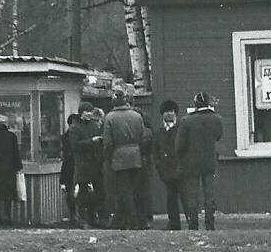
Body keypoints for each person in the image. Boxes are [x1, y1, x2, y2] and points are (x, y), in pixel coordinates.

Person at [177, 91, 224, 230]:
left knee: (193, 196)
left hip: (191, 162)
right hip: (209, 161)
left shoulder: (187, 120)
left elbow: (179, 145)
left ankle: (193, 224)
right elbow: (218, 136)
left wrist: (181, 156)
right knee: (209, 194)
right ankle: (210, 224)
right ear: (208, 103)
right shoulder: (217, 119)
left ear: (195, 104)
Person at [102, 89, 147, 229]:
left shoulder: (110, 117)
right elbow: (143, 137)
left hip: (119, 157)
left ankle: (129, 221)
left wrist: (108, 157)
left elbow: (108, 142)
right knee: (134, 189)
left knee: (124, 190)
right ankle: (134, 220)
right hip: (136, 155)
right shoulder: (137, 116)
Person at [68, 103, 104, 228]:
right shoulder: (74, 128)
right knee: (83, 194)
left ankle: (94, 217)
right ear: (81, 113)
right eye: (86, 112)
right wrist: (91, 141)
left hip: (95, 164)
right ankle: (83, 220)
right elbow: (74, 146)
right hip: (83, 166)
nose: (89, 114)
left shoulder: (95, 126)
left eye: (90, 111)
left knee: (99, 193)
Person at [154, 100, 186, 230]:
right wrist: (159, 165)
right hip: (166, 169)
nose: (169, 114)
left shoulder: (182, 129)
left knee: (185, 197)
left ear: (176, 113)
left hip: (180, 168)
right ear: (162, 114)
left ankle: (191, 222)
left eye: (171, 111)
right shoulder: (159, 131)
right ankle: (174, 223)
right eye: (166, 111)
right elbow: (156, 150)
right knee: (171, 198)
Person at [60, 113, 80, 225]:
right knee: (73, 192)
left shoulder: (66, 136)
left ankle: (74, 215)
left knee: (70, 192)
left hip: (68, 166)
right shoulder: (74, 135)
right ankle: (75, 215)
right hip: (74, 165)